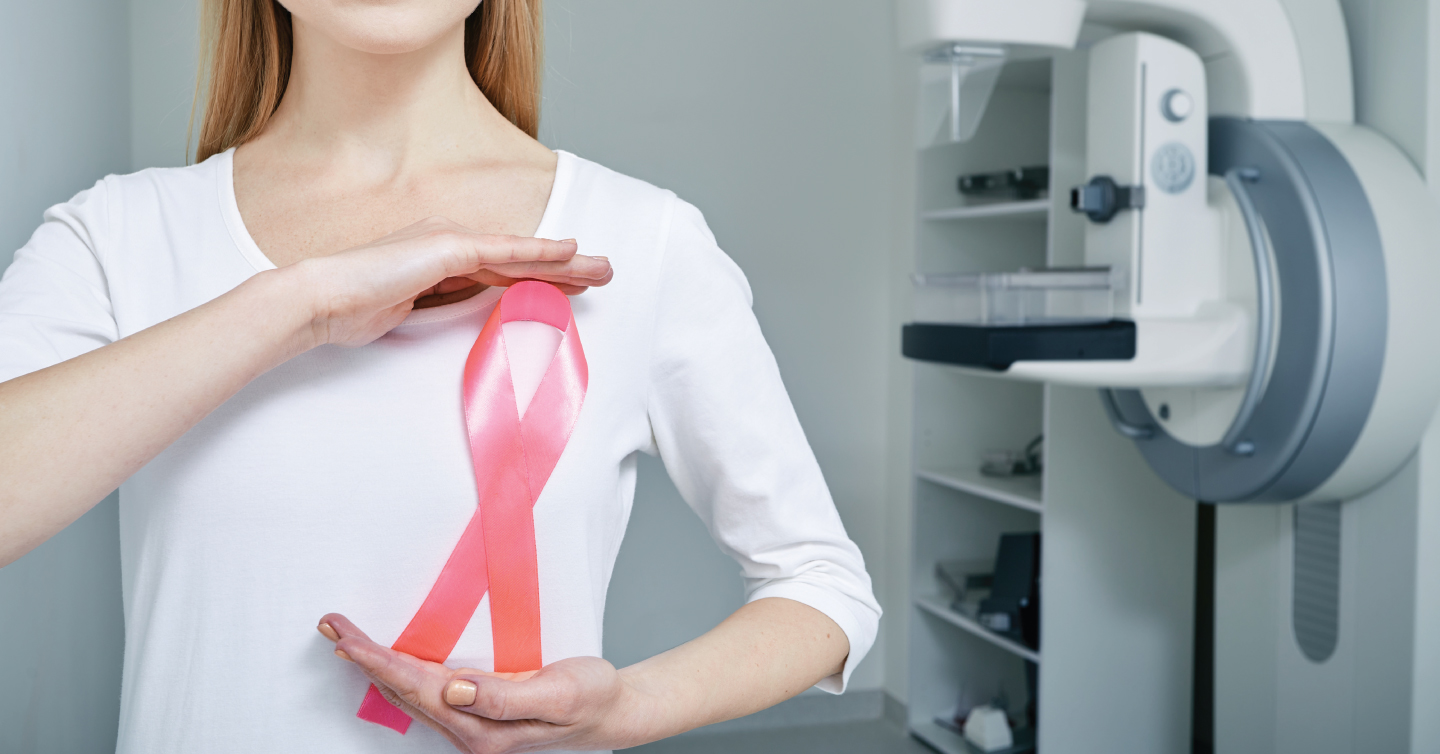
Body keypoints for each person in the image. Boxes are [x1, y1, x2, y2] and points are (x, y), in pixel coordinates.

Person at [0, 0, 880, 752]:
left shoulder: (646, 240)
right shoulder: (113, 238)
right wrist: (298, 306)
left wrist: (625, 709)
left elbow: (822, 586)